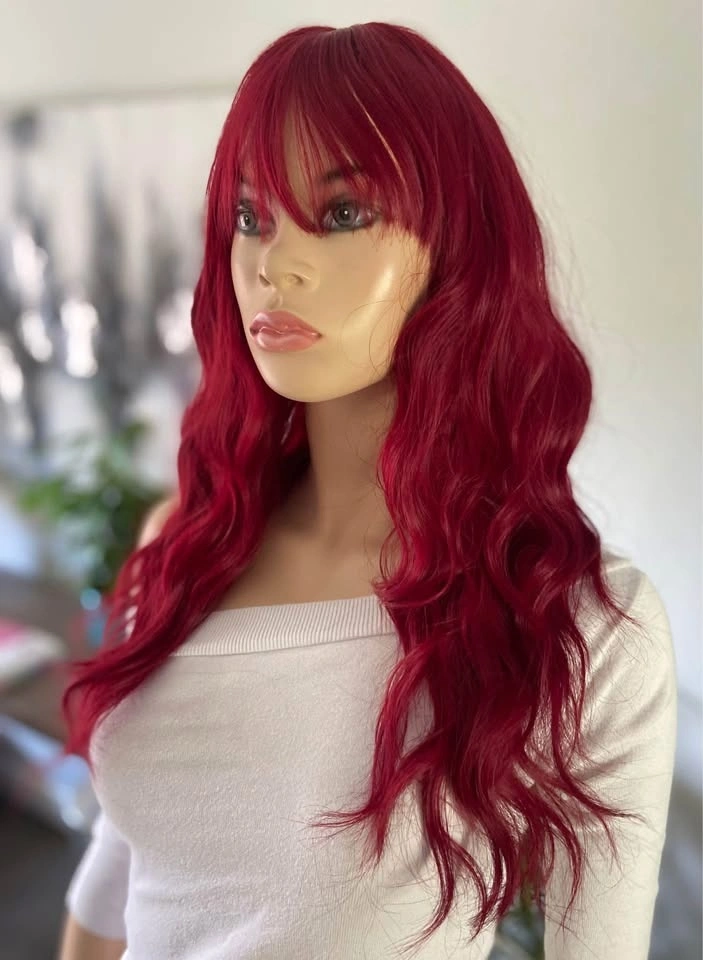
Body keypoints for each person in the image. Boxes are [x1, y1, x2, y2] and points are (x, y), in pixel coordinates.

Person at [58, 21, 677, 960]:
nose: (273, 263)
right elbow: (126, 861)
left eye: (343, 213)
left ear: (456, 248)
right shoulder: (182, 542)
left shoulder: (581, 626)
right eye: (251, 216)